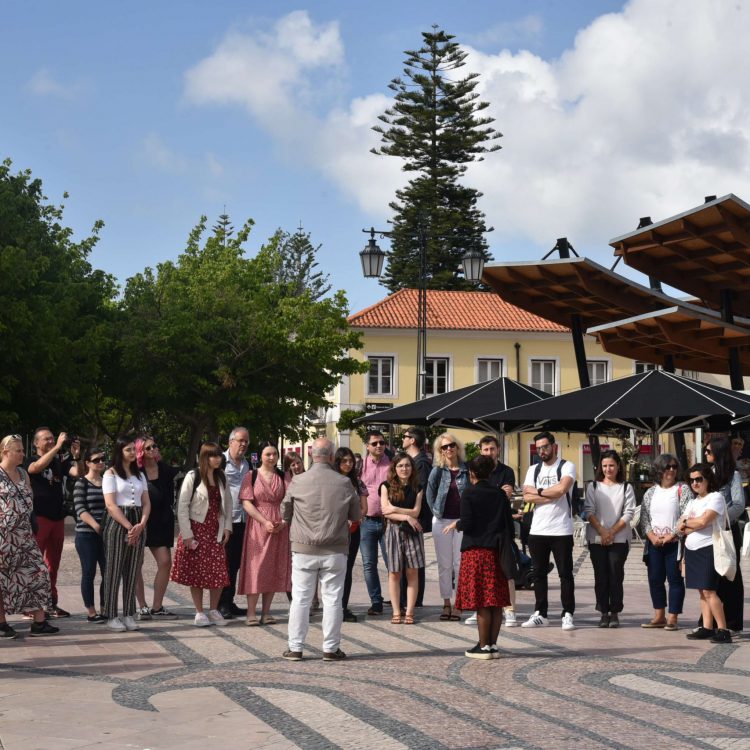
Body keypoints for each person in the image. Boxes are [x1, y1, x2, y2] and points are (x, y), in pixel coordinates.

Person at [281, 438, 360, 661]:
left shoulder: (298, 480)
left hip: (303, 547)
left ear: (312, 454)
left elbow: (285, 511)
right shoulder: (344, 482)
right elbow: (356, 515)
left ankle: (295, 648)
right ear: (332, 456)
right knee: (333, 599)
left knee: (300, 599)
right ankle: (330, 648)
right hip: (335, 548)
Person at [444, 455, 512, 659]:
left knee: (483, 600)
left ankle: (483, 646)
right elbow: (507, 523)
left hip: (476, 552)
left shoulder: (469, 493)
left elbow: (467, 522)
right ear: (490, 472)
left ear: (472, 473)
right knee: (496, 600)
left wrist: (456, 523)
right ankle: (492, 645)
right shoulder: (500, 494)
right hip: (496, 551)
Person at [0, 435, 60, 638]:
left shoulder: (23, 474)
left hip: (25, 535)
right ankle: (1, 624)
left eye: (22, 450)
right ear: (5, 452)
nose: (22, 454)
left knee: (39, 573)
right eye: (18, 450)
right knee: (2, 579)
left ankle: (39, 622)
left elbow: (30, 499)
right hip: (3, 537)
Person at [171, 442, 232, 627]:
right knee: (196, 572)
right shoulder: (193, 476)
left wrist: (228, 527)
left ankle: (213, 610)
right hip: (196, 529)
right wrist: (187, 534)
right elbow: (182, 506)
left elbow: (228, 505)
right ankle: (199, 612)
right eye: (214, 455)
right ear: (205, 457)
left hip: (216, 530)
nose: (218, 459)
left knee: (219, 572)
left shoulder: (222, 477)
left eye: (219, 455)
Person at [521, 431, 577, 631]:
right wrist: (549, 494)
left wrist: (539, 492)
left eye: (545, 447)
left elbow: (562, 490)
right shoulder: (533, 469)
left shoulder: (567, 466)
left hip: (561, 530)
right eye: (538, 448)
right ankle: (540, 613)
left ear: (554, 446)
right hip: (538, 530)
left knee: (565, 574)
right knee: (538, 574)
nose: (542, 451)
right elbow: (526, 497)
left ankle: (567, 613)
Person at [24, 427, 82, 617]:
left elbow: (78, 473)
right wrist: (57, 446)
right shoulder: (30, 460)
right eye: (46, 439)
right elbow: (36, 468)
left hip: (57, 518)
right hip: (40, 517)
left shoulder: (58, 461)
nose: (50, 441)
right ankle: (32, 606)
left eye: (52, 438)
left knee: (53, 564)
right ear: (36, 443)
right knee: (35, 563)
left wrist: (76, 457)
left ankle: (50, 602)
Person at [465, 435, 518, 627]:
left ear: (498, 450)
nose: (489, 453)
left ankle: (509, 609)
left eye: (492, 449)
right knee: (484, 573)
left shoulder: (507, 471)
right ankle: (481, 609)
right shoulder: (475, 470)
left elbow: (507, 494)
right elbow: (487, 494)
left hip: (500, 528)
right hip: (480, 529)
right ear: (481, 450)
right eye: (485, 450)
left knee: (506, 571)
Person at [237, 442, 291, 625]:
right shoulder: (251, 475)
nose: (271, 457)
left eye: (274, 454)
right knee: (256, 567)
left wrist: (283, 521)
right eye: (268, 454)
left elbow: (291, 501)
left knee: (274, 567)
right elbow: (246, 502)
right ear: (260, 456)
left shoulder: (284, 476)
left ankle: (266, 612)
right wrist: (264, 521)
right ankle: (251, 612)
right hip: (258, 525)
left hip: (279, 525)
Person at [101, 436, 152, 632]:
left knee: (132, 570)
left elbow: (146, 502)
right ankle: (111, 614)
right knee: (114, 569)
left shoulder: (140, 475)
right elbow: (110, 504)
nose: (132, 453)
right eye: (128, 450)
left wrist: (141, 524)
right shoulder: (110, 473)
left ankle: (129, 612)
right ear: (120, 451)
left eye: (133, 450)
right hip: (119, 522)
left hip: (138, 519)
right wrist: (129, 526)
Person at [582, 450, 636, 628]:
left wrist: (611, 532)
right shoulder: (594, 487)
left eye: (611, 465)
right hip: (596, 538)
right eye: (604, 465)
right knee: (601, 576)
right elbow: (589, 511)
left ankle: (615, 612)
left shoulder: (626, 487)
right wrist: (602, 531)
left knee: (615, 574)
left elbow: (629, 512)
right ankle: (603, 612)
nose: (608, 469)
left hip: (619, 538)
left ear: (618, 466)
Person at [678, 464, 732, 644]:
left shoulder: (715, 497)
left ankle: (723, 629)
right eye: (691, 480)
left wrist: (688, 523)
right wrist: (688, 523)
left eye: (699, 479)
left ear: (708, 479)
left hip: (709, 549)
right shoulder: (693, 501)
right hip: (692, 550)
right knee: (702, 591)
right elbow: (680, 524)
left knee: (710, 591)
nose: (695, 483)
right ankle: (707, 627)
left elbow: (703, 521)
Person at [639, 453, 692, 630]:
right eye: (667, 467)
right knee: (655, 579)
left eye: (674, 467)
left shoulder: (682, 489)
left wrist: (672, 535)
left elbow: (686, 516)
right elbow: (645, 517)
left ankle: (673, 618)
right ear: (659, 469)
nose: (671, 470)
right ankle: (659, 615)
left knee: (675, 580)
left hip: (674, 543)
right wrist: (652, 536)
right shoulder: (650, 492)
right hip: (654, 543)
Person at [134, 436, 179, 621]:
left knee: (165, 562)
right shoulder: (136, 472)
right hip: (140, 521)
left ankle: (157, 606)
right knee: (137, 564)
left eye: (155, 446)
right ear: (141, 452)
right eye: (148, 448)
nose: (153, 449)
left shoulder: (166, 469)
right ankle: (142, 606)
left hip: (161, 521)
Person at [426, 432, 469, 622]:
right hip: (442, 521)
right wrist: (437, 513)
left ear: (457, 447)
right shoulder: (437, 471)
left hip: (461, 522)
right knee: (444, 565)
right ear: (440, 451)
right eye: (444, 447)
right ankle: (446, 602)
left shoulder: (467, 470)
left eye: (451, 445)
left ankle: (459, 604)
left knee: (460, 564)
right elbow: (429, 494)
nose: (448, 449)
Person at [704, 435, 744, 633]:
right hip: (709, 530)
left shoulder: (733, 475)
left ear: (718, 453)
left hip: (727, 529)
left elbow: (738, 503)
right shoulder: (708, 473)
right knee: (712, 574)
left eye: (709, 451)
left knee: (730, 573)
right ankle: (709, 620)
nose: (705, 454)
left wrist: (723, 520)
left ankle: (732, 621)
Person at [380, 453, 425, 625]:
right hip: (393, 530)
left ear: (412, 468)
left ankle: (410, 611)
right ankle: (396, 611)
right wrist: (406, 517)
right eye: (400, 466)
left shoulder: (418, 487)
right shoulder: (386, 486)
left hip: (413, 532)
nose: (404, 469)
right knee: (394, 572)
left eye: (407, 465)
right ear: (394, 468)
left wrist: (396, 509)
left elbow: (416, 512)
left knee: (412, 572)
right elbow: (385, 510)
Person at [218, 427, 251, 619]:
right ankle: (221, 603)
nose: (244, 444)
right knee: (225, 563)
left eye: (246, 441)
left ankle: (229, 602)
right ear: (231, 442)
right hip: (225, 520)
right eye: (240, 440)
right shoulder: (221, 461)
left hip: (243, 520)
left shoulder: (247, 465)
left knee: (236, 563)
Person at [73, 447, 108, 623]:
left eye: (102, 459)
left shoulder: (108, 481)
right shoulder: (82, 483)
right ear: (87, 463)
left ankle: (105, 607)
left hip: (106, 535)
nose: (101, 462)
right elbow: (79, 508)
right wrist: (96, 525)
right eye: (96, 460)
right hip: (86, 534)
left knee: (108, 572)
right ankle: (91, 612)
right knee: (89, 572)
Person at [358, 430, 391, 616]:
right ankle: (376, 601)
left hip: (388, 521)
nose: (379, 445)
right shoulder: (360, 465)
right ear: (367, 446)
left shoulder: (392, 464)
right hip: (367, 521)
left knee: (392, 563)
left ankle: (399, 600)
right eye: (375, 443)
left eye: (382, 442)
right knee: (369, 564)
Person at [334, 447, 368, 623]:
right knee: (333, 569)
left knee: (347, 569)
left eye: (350, 461)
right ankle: (332, 606)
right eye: (344, 461)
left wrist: (354, 518)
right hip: (334, 531)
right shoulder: (332, 480)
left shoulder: (358, 482)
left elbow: (364, 508)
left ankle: (343, 606)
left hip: (353, 530)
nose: (348, 464)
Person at [401, 427, 432, 608]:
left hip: (416, 516)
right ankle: (404, 595)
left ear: (412, 440)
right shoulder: (413, 461)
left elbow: (420, 490)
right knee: (406, 558)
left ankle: (415, 598)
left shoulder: (421, 463)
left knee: (415, 559)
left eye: (404, 437)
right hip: (408, 515)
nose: (402, 439)